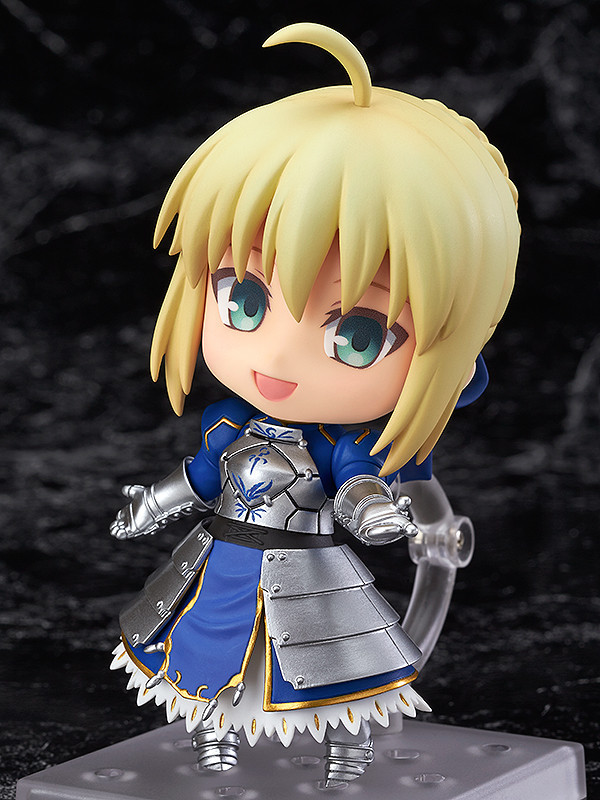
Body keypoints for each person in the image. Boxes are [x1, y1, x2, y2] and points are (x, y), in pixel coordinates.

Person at [109, 22, 520, 787]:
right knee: (201, 654)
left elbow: (359, 478)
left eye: (357, 335)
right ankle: (216, 744)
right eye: (243, 300)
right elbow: (199, 477)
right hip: (223, 558)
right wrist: (150, 506)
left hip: (307, 570)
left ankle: (347, 751)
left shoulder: (336, 442)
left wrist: (375, 512)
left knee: (337, 667)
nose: (275, 359)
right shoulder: (229, 424)